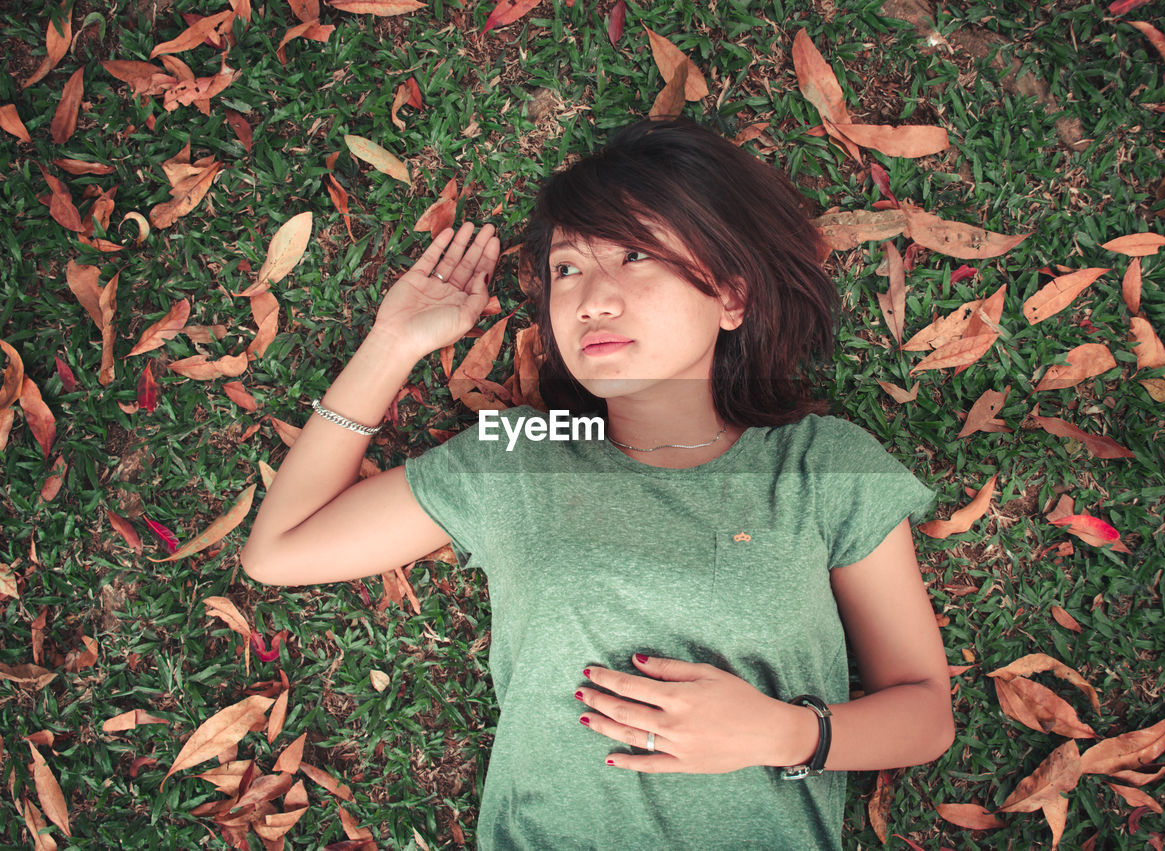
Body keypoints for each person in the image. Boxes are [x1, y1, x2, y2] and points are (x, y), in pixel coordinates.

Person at [242, 117, 954, 848]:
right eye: (567, 269)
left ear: (732, 297)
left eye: (635, 253)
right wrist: (393, 343)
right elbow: (279, 549)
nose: (592, 298)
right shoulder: (527, 455)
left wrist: (783, 730)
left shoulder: (817, 465)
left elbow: (926, 712)